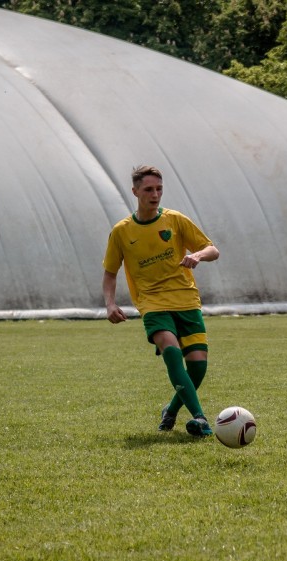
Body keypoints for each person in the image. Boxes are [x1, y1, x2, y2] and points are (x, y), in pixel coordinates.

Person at [103, 165, 221, 436]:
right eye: (148, 189)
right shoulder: (121, 231)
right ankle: (200, 419)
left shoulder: (175, 220)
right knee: (171, 351)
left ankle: (171, 410)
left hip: (186, 299)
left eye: (159, 189)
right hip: (152, 303)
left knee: (198, 366)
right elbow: (109, 273)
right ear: (135, 192)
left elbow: (213, 249)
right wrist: (110, 304)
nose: (155, 194)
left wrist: (197, 256)